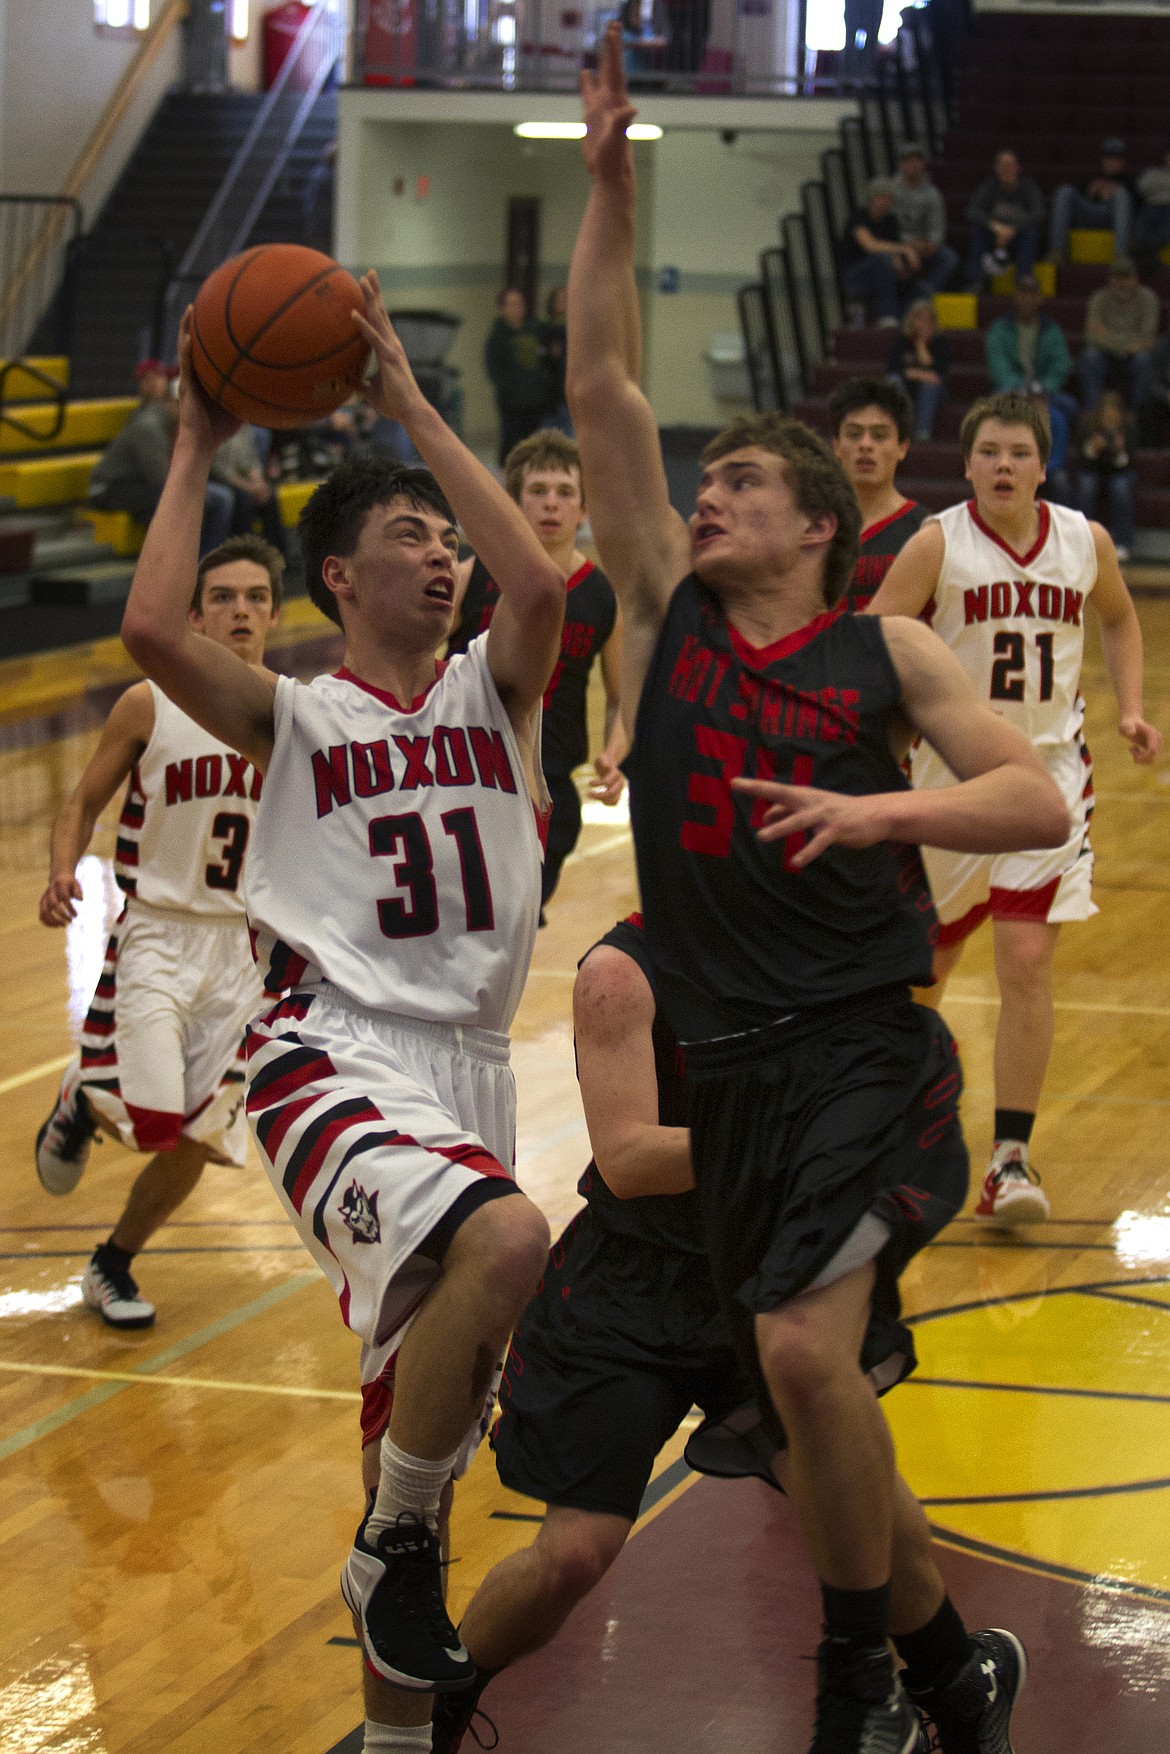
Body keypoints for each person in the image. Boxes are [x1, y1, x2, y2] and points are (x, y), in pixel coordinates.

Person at [565, 28, 1069, 1753]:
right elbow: (603, 386)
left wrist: (886, 825)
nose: (703, 497)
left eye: (740, 489)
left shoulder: (884, 643)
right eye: (705, 489)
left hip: (867, 1047)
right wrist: (608, 186)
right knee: (809, 1399)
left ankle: (858, 1676)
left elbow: (1022, 787)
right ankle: (938, 1665)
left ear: (811, 532)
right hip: (742, 1069)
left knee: (792, 1358)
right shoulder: (669, 613)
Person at [119, 275, 565, 1752]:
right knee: (507, 1232)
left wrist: (412, 412)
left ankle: (385, 1712)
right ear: (335, 581)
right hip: (326, 1054)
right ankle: (396, 1551)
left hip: (467, 1076)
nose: (442, 557)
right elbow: (150, 627)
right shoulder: (293, 715)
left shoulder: (495, 697)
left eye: (447, 539)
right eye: (407, 538)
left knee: (404, 1444)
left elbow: (544, 587)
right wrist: (198, 436)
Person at [433, 915, 1024, 1754]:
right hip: (630, 1289)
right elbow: (628, 1159)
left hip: (766, 1273)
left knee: (877, 1524)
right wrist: (794, 1147)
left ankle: (964, 1688)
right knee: (573, 1553)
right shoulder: (620, 973)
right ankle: (437, 1711)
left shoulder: (829, 957)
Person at [870, 391, 1161, 1226]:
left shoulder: (1085, 541)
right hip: (950, 783)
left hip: (1049, 778)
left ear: (1044, 464)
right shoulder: (936, 544)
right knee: (925, 973)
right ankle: (895, 1128)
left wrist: (1131, 707)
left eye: (1019, 453)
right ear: (966, 465)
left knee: (1027, 961)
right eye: (988, 451)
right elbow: (869, 639)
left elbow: (1121, 620)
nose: (1003, 464)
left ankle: (1010, 1158)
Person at [35, 534, 283, 1327]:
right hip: (159, 932)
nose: (239, 610)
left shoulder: (294, 712)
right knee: (153, 1123)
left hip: (245, 953)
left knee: (205, 1138)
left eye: (254, 597)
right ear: (193, 616)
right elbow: (80, 802)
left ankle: (114, 1261)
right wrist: (62, 870)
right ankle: (85, 1096)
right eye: (222, 597)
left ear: (275, 612)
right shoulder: (148, 703)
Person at [447, 427, 626, 910]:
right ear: (514, 502)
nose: (551, 504)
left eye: (565, 493)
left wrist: (614, 752)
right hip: (462, 778)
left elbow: (620, 697)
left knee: (510, 929)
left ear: (583, 510)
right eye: (538, 492)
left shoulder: (601, 595)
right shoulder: (473, 573)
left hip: (548, 787)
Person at [88, 361, 234, 555]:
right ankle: (174, 561)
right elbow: (160, 480)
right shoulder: (150, 428)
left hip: (138, 483)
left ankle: (202, 560)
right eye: (181, 404)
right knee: (175, 505)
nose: (188, 411)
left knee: (219, 499)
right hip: (110, 487)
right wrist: (194, 493)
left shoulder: (177, 427)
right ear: (168, 404)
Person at [828, 377, 927, 611]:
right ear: (836, 446)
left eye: (879, 435)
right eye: (853, 435)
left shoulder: (925, 530)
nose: (865, 445)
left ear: (902, 447)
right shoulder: (810, 526)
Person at [984, 273, 1077, 500]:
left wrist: (1041, 389)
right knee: (998, 399)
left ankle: (1053, 467)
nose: (1027, 299)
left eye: (1032, 295)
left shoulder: (1051, 330)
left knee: (1063, 411)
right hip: (1011, 391)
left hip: (1044, 391)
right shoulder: (1000, 328)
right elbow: (998, 366)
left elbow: (1060, 364)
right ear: (1016, 297)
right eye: (1023, 294)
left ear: (1039, 299)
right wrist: (1022, 390)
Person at [1079, 256, 1159, 411]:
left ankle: (1136, 415)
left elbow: (1147, 339)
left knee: (1144, 360)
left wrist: (1107, 335)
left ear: (1136, 278)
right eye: (1117, 277)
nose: (1122, 283)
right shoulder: (1098, 298)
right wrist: (1128, 343)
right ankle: (1094, 414)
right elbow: (1091, 337)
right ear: (1110, 279)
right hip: (1105, 355)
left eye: (1127, 277)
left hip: (1134, 357)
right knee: (1089, 357)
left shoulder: (1148, 298)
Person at [484, 287, 553, 464]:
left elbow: (544, 360)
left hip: (536, 399)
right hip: (511, 402)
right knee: (511, 443)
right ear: (503, 308)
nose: (516, 308)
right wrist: (511, 388)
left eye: (519, 304)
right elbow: (494, 369)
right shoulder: (497, 337)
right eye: (511, 304)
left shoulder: (534, 330)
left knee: (536, 444)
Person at [839, 179, 918, 327]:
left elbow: (894, 251)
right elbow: (871, 246)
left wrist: (901, 262)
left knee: (918, 285)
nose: (886, 202)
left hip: (881, 276)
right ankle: (886, 315)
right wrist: (905, 249)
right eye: (882, 197)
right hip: (856, 277)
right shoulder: (858, 218)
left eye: (889, 198)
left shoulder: (890, 221)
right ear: (872, 198)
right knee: (883, 259)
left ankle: (908, 323)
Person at [1048, 137, 1137, 266]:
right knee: (1064, 191)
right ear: (1103, 159)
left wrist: (1116, 191)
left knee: (1122, 194)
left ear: (1123, 161)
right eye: (1108, 158)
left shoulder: (1130, 180)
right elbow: (1077, 194)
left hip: (1113, 218)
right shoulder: (1092, 177)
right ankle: (1057, 251)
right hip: (1089, 214)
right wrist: (1092, 191)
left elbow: (1137, 205)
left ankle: (1121, 254)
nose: (1112, 162)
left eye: (1116, 158)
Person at [964, 148, 1044, 288]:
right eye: (1003, 165)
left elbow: (1038, 214)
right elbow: (972, 211)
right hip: (994, 239)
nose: (1007, 169)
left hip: (1018, 238)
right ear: (996, 169)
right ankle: (977, 281)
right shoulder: (989, 187)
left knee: (1030, 234)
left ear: (1018, 168)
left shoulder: (1028, 187)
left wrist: (1012, 229)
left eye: (1011, 165)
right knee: (978, 230)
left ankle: (1023, 282)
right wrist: (995, 227)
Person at [1074, 390, 1138, 561]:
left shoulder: (1129, 430)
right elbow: (1082, 461)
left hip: (1120, 474)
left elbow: (1129, 464)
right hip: (1092, 472)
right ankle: (1082, 540)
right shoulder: (1088, 427)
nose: (1110, 418)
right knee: (1086, 485)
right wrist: (1093, 449)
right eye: (1106, 415)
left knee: (1120, 487)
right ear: (1099, 414)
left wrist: (1119, 450)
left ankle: (1123, 542)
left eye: (1113, 415)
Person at [887, 144, 959, 296]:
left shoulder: (932, 194)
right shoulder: (890, 191)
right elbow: (886, 227)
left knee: (948, 257)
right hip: (896, 244)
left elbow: (938, 225)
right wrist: (908, 243)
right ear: (901, 165)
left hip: (924, 245)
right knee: (887, 261)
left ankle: (924, 293)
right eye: (908, 160)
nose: (913, 165)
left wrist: (932, 243)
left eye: (917, 160)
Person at [210, 425, 287, 555]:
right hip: (218, 478)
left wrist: (259, 483)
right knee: (243, 499)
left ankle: (278, 555)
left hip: (242, 478)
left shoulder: (242, 424)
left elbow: (251, 460)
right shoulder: (213, 426)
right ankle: (243, 553)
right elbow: (219, 471)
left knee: (269, 495)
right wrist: (250, 488)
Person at [886, 299, 950, 441]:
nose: (924, 323)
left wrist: (921, 345)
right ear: (911, 320)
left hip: (935, 395)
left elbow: (938, 374)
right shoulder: (902, 341)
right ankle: (902, 429)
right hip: (907, 391)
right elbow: (893, 368)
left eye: (929, 319)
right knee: (893, 381)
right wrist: (919, 374)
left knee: (930, 384)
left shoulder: (940, 343)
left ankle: (922, 433)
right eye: (920, 318)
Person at [1132, 142, 1170, 278]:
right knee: (1146, 216)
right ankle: (1147, 256)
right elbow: (1141, 187)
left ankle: (1145, 256)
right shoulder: (1153, 173)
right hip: (1152, 206)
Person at [540, 285, 572, 434]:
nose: (564, 303)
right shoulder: (543, 326)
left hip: (567, 389)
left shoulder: (572, 326)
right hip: (548, 392)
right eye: (561, 299)